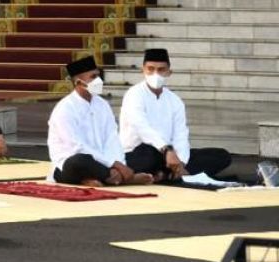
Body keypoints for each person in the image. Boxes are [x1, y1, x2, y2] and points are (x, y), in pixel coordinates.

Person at [120, 48, 232, 181]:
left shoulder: (174, 100)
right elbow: (142, 128)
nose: (155, 73)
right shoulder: (134, 95)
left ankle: (168, 174)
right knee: (150, 155)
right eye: (150, 69)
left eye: (161, 70)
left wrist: (181, 163)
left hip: (170, 157)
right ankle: (166, 174)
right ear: (143, 70)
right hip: (139, 153)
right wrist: (166, 149)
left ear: (169, 72)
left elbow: (181, 134)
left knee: (221, 156)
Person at [48, 56, 152, 187]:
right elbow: (77, 147)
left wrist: (120, 164)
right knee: (79, 161)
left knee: (147, 153)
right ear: (78, 83)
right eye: (93, 77)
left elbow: (112, 138)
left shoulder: (102, 105)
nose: (98, 80)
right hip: (71, 164)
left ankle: (104, 177)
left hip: (104, 162)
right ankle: (121, 178)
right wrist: (114, 165)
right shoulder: (64, 109)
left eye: (98, 76)